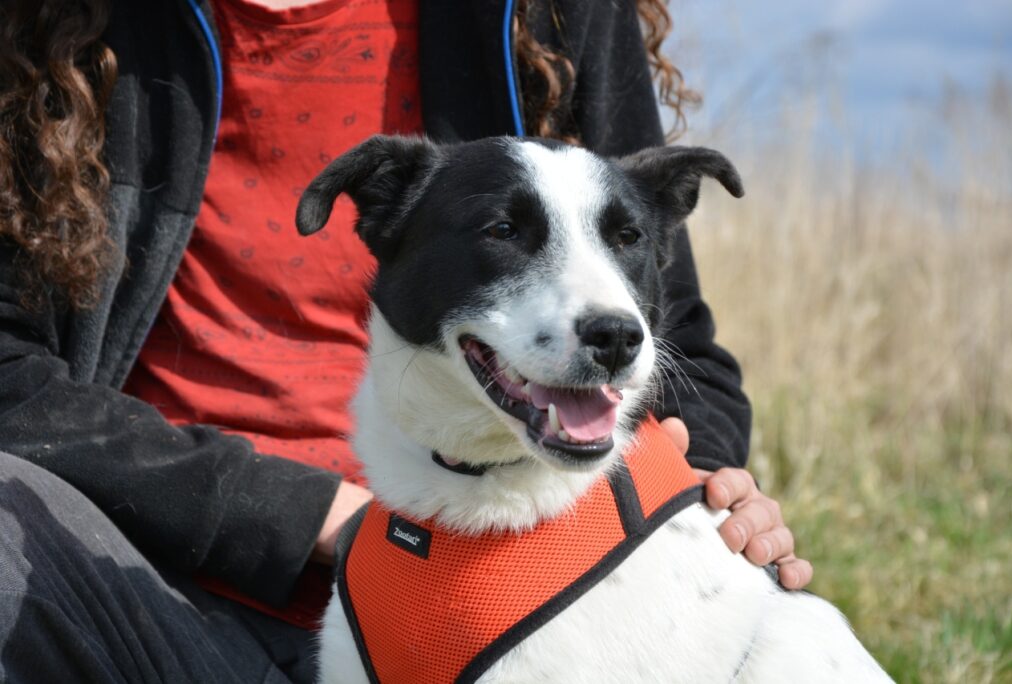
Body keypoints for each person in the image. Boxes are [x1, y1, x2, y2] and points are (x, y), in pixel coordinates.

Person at [0, 0, 812, 680]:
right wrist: (321, 521)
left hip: (509, 590)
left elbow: (673, 349)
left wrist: (703, 498)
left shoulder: (552, 10)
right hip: (160, 592)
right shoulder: (56, 23)